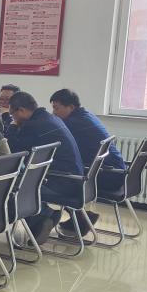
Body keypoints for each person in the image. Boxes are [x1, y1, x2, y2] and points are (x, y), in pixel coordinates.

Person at [5, 91, 84, 243]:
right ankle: (47, 215)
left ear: (21, 110)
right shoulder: (49, 118)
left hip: (61, 182)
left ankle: (41, 219)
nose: (13, 118)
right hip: (74, 179)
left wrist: (13, 127)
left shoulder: (33, 125)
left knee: (10, 188)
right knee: (23, 178)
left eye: (12, 115)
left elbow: (13, 148)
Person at [49, 88, 126, 231]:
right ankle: (81, 217)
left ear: (71, 107)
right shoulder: (86, 115)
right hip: (114, 172)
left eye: (56, 108)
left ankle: (76, 218)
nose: (53, 113)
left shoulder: (74, 123)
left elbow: (54, 141)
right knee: (64, 172)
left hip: (108, 175)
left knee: (57, 177)